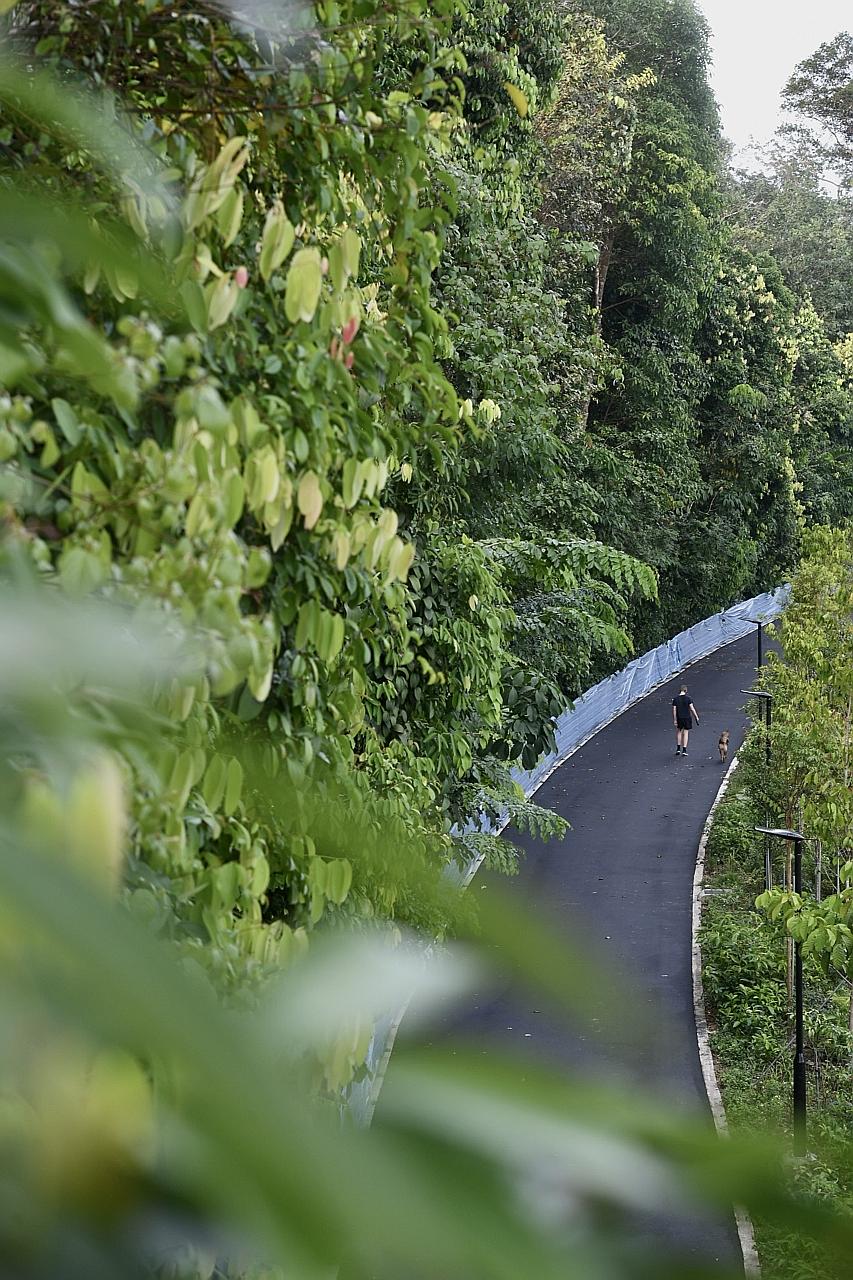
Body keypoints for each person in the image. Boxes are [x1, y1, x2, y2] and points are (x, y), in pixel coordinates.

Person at [672, 684, 699, 756]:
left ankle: (678, 749)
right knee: (686, 733)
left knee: (679, 732)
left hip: (679, 718)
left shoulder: (675, 699)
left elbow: (674, 710)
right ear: (686, 690)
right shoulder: (688, 699)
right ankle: (684, 749)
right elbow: (692, 708)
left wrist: (675, 720)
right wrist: (696, 716)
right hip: (687, 718)